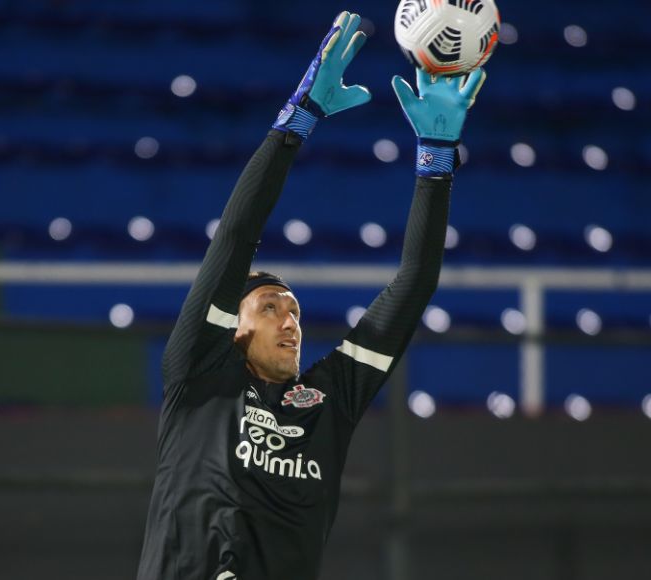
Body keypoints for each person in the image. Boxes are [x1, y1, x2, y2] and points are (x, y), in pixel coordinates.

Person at [136, 11, 486, 580]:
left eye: (294, 310)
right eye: (270, 307)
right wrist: (296, 122)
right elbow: (235, 237)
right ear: (235, 325)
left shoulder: (329, 402)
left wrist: (436, 160)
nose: (289, 319)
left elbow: (415, 281)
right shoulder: (197, 373)